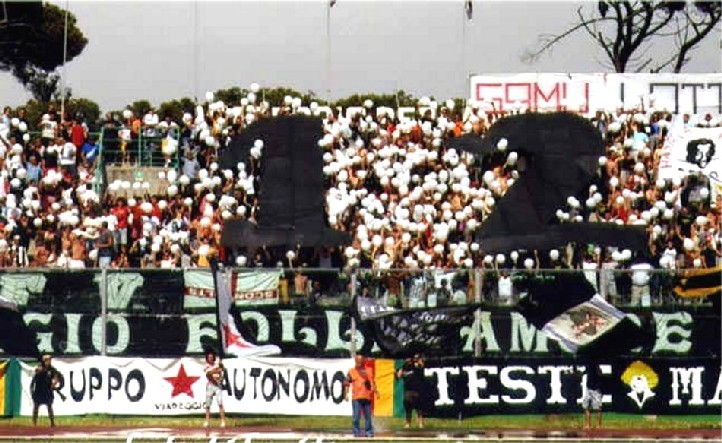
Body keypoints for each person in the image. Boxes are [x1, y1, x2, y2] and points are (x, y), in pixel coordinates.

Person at [343, 355, 379, 438]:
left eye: (360, 361)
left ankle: (369, 432)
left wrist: (376, 392)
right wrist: (346, 394)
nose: (358, 363)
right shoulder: (351, 371)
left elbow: (372, 382)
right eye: (357, 361)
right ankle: (356, 433)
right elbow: (346, 383)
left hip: (367, 397)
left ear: (363, 361)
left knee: (368, 417)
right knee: (356, 417)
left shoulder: (369, 370)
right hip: (356, 397)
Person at [30, 355, 63, 428]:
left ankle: (52, 423)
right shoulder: (39, 368)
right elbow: (34, 378)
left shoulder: (52, 369)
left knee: (49, 407)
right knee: (36, 407)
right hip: (39, 391)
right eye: (46, 360)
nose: (48, 361)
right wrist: (32, 392)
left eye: (49, 360)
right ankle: (34, 424)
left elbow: (56, 377)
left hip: (47, 390)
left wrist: (54, 383)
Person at [396, 354, 425, 428]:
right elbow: (398, 376)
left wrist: (417, 360)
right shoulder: (404, 367)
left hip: (418, 389)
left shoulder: (415, 364)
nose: (407, 359)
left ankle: (420, 424)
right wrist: (400, 371)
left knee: (419, 408)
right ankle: (408, 424)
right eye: (406, 358)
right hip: (408, 390)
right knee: (408, 406)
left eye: (409, 358)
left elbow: (421, 365)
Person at [203, 350, 226, 428]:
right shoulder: (206, 366)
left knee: (220, 403)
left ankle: (223, 421)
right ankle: (207, 421)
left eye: (212, 357)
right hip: (210, 386)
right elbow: (208, 374)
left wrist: (220, 366)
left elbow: (221, 370)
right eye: (209, 357)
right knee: (208, 405)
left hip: (218, 386)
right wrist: (215, 371)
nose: (210, 358)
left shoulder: (217, 364)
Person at [583, 363, 603, 430]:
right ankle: (588, 425)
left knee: (598, 408)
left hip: (596, 390)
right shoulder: (589, 367)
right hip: (589, 389)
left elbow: (600, 374)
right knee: (587, 407)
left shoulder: (597, 368)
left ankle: (598, 425)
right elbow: (584, 372)